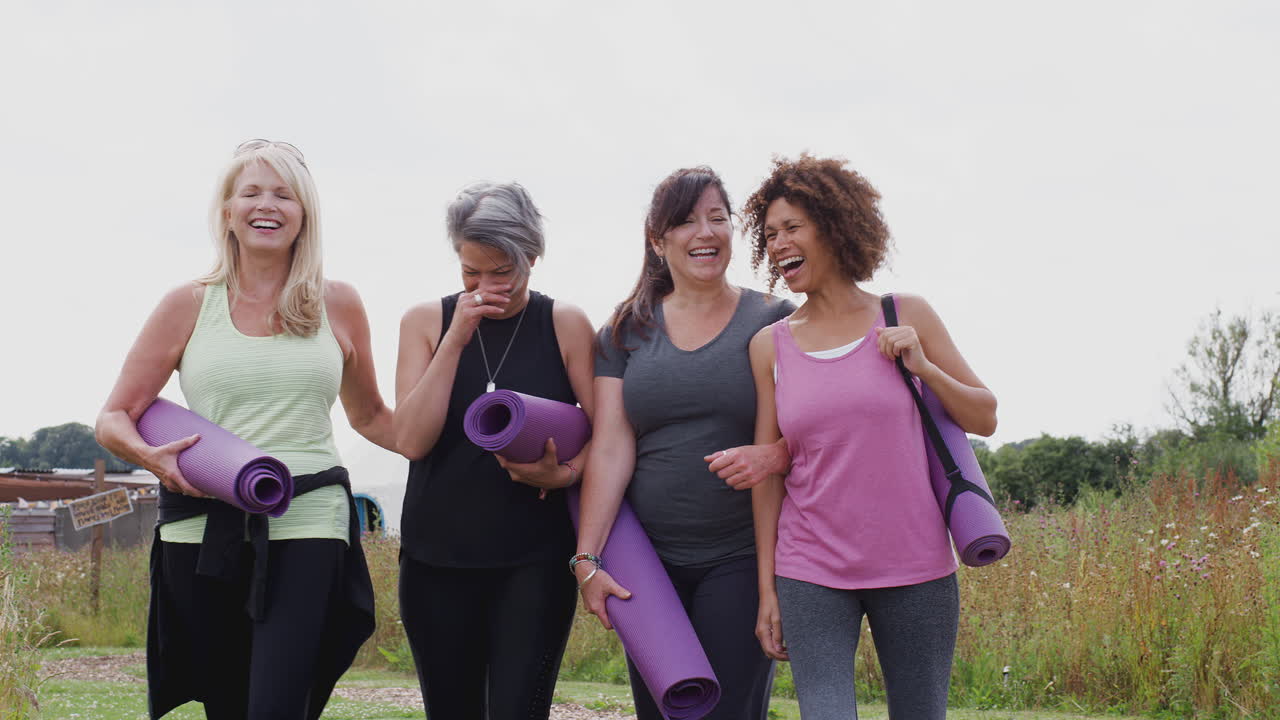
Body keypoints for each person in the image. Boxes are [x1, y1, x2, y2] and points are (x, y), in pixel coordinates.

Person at [95, 139, 396, 719]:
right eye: (252, 192)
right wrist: (150, 456)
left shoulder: (339, 303)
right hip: (202, 528)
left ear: (304, 212)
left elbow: (373, 417)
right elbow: (114, 417)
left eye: (285, 194)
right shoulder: (187, 304)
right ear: (228, 211)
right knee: (229, 706)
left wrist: (457, 438)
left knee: (279, 705)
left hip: (309, 520)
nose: (268, 205)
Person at [743, 154, 998, 720]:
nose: (779, 243)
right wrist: (767, 591)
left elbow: (985, 417)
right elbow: (769, 474)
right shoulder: (770, 346)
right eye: (770, 235)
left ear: (834, 226)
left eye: (792, 227)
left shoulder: (907, 314)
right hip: (810, 567)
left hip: (917, 567)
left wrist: (923, 366)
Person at [573, 166, 794, 720]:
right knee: (663, 711)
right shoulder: (625, 330)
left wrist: (774, 454)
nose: (707, 232)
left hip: (742, 555)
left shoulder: (775, 321)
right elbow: (610, 447)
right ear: (658, 239)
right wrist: (587, 558)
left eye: (718, 218)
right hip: (647, 563)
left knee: (724, 713)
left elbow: (816, 432)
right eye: (687, 221)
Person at [393, 181, 596, 719]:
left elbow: (611, 435)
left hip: (534, 560)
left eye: (502, 272)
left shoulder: (565, 324)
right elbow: (411, 440)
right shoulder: (424, 322)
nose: (486, 286)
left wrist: (570, 474)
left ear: (532, 256)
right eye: (470, 272)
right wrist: (455, 337)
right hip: (434, 560)